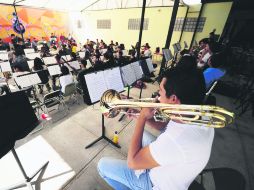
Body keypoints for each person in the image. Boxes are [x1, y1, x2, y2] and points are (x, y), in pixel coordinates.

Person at [98, 67, 214, 190]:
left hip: (156, 184)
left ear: (174, 99)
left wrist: (142, 118)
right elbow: (165, 127)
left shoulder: (175, 140)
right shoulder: (200, 113)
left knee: (102, 165)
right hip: (176, 169)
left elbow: (132, 163)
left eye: (160, 93)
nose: (157, 98)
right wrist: (139, 113)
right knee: (143, 136)